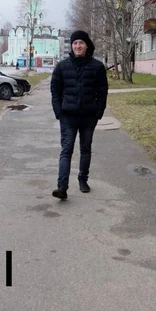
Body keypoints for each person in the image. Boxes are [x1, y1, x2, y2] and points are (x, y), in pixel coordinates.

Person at [50, 30, 108, 200]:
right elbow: (55, 90)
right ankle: (62, 187)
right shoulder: (62, 66)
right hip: (68, 116)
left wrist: (98, 112)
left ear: (87, 45)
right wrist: (58, 111)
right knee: (66, 150)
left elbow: (102, 91)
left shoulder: (97, 67)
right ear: (72, 45)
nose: (78, 46)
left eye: (81, 43)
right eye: (75, 43)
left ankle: (83, 180)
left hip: (88, 116)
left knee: (85, 149)